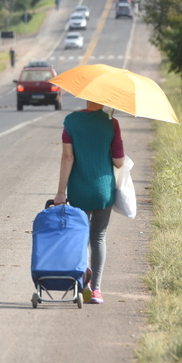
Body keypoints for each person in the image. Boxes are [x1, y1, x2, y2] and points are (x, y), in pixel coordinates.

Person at [53, 100, 125, 304]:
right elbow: (119, 162)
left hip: (78, 191)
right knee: (99, 236)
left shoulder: (71, 121)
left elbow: (68, 158)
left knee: (80, 237)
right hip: (103, 190)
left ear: (86, 97)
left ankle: (81, 283)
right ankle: (96, 290)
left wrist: (60, 192)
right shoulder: (112, 123)